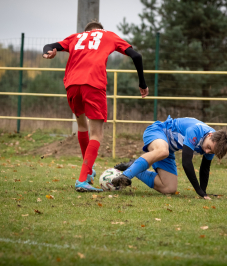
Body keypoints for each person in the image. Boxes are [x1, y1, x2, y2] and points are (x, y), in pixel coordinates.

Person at [43, 21, 149, 192]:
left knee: (82, 126)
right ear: (100, 30)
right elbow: (136, 56)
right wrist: (142, 83)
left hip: (71, 85)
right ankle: (82, 179)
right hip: (92, 84)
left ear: (86, 32)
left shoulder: (76, 38)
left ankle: (89, 170)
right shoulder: (108, 35)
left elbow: (49, 46)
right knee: (97, 134)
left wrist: (48, 53)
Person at [112, 116, 227, 200]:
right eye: (208, 147)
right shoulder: (195, 131)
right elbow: (186, 162)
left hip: (167, 149)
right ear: (210, 135)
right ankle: (127, 175)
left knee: (169, 188)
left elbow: (205, 169)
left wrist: (203, 192)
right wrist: (198, 190)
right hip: (157, 132)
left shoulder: (214, 144)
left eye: (211, 151)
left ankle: (134, 166)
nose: (207, 151)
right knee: (163, 150)